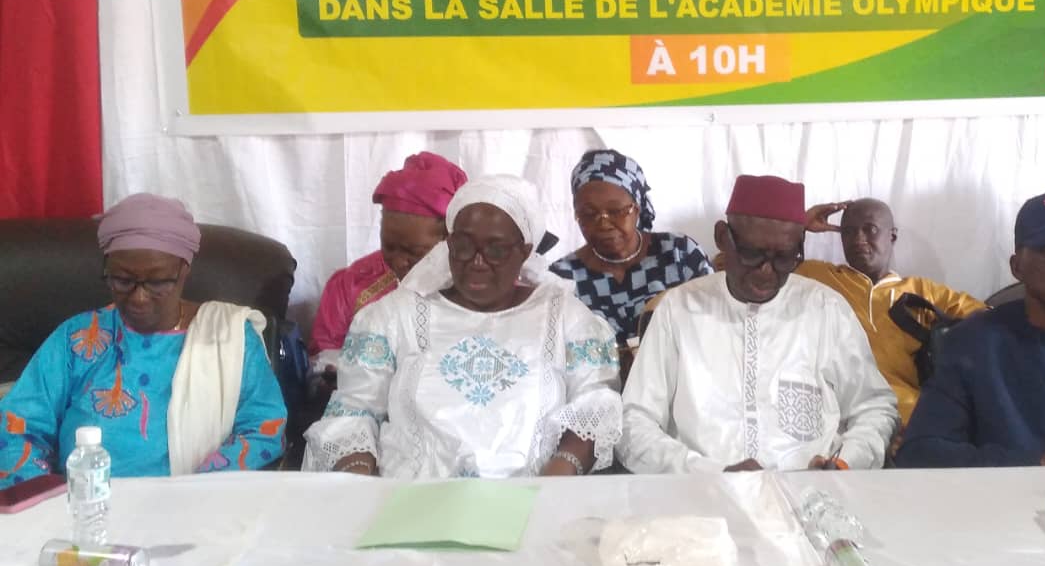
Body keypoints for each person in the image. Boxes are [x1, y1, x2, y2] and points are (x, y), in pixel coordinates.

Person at [302, 176, 623, 478]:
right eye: (464, 246)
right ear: (448, 243)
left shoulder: (565, 316)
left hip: (534, 498)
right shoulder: (392, 317)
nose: (477, 262)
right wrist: (362, 484)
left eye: (495, 250)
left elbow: (596, 404)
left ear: (525, 251)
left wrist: (554, 481)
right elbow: (353, 412)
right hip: (411, 500)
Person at [0, 194, 287, 487]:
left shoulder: (229, 336)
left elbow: (264, 430)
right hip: (84, 504)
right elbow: (17, 427)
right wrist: (44, 497)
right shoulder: (77, 338)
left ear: (184, 271)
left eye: (158, 282)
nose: (139, 297)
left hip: (196, 504)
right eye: (123, 280)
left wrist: (193, 493)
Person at [618, 174, 899, 473]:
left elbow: (874, 407)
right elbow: (634, 423)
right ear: (722, 238)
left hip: (813, 491)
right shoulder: (678, 310)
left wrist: (844, 463)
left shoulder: (826, 308)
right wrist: (708, 472)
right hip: (701, 491)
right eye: (752, 254)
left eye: (784, 258)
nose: (766, 271)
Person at [897, 190, 1045, 468]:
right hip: (1015, 494)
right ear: (1017, 266)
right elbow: (920, 452)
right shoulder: (973, 343)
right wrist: (1039, 463)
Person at [799, 197, 985, 424]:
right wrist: (800, 225)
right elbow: (766, 262)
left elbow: (991, 320)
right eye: (848, 232)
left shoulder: (922, 291)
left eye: (870, 229)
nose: (858, 239)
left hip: (906, 415)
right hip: (834, 414)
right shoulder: (819, 276)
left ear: (892, 236)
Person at [309, 151, 468, 371]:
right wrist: (334, 368)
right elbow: (323, 353)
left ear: (448, 239)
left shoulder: (476, 289)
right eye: (389, 246)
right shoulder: (351, 285)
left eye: (414, 251)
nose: (399, 261)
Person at [550, 149, 712, 354]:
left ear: (637, 208)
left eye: (616, 211)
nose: (604, 224)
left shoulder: (679, 254)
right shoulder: (562, 278)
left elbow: (714, 321)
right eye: (589, 213)